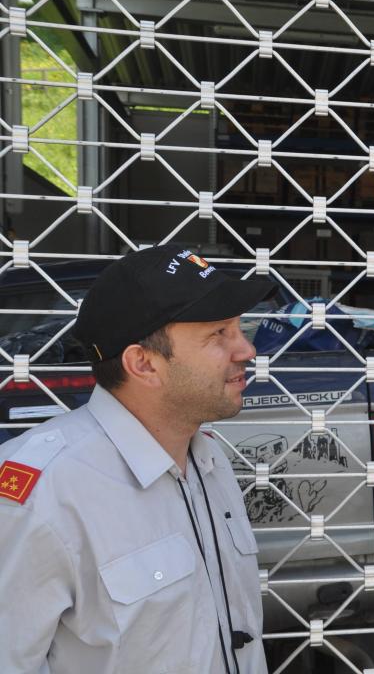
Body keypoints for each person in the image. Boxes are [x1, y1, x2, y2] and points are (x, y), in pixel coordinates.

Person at [0, 245, 274, 673]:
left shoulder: (208, 459)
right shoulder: (43, 496)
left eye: (240, 328)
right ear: (143, 364)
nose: (247, 350)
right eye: (219, 334)